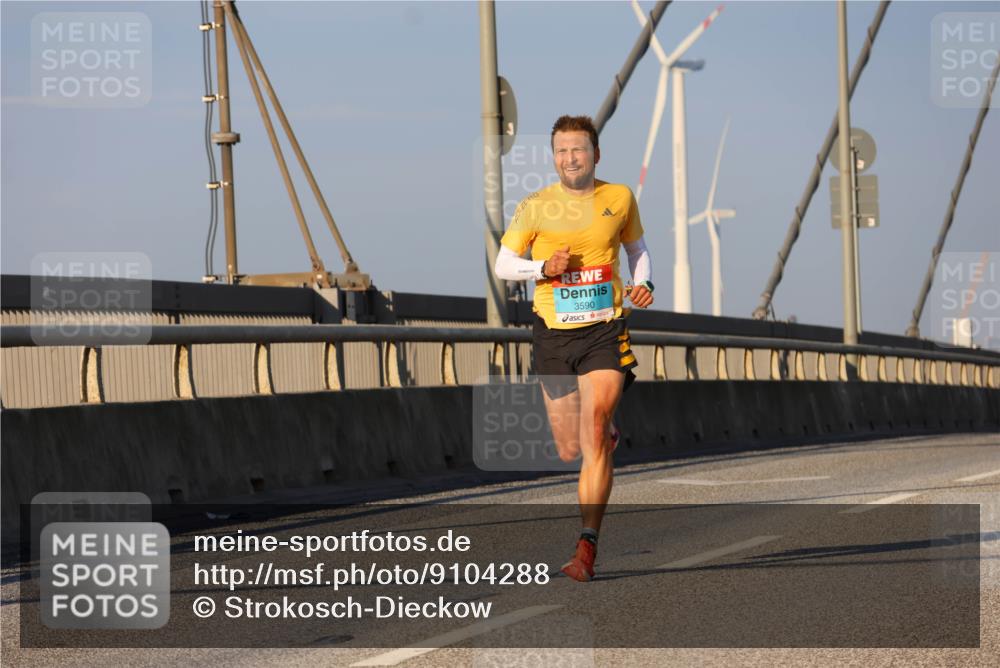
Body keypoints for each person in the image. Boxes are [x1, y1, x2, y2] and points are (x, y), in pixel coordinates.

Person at [493, 115, 654, 581]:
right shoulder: (535, 205)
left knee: (595, 427)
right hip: (553, 334)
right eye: (562, 151)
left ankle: (587, 545)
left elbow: (638, 251)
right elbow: (504, 264)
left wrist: (643, 283)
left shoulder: (619, 197)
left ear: (596, 154)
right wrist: (542, 267)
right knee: (568, 448)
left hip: (604, 330)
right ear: (553, 157)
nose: (570, 158)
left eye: (578, 149)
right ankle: (602, 433)